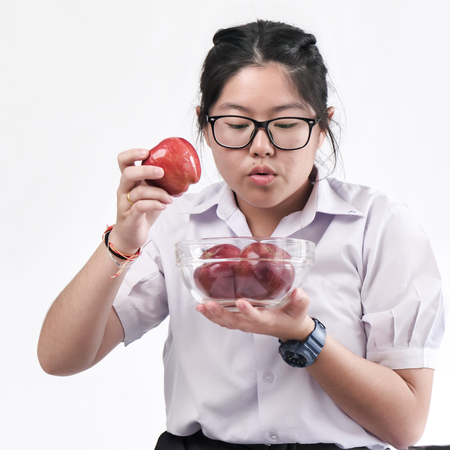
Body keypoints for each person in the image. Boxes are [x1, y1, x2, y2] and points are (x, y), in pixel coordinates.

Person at [37, 20, 446, 450]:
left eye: (286, 123)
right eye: (236, 124)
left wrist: (303, 335)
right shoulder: (176, 225)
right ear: (205, 126)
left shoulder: (379, 227)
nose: (261, 147)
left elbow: (405, 426)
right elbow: (59, 358)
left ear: (322, 128)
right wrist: (121, 242)